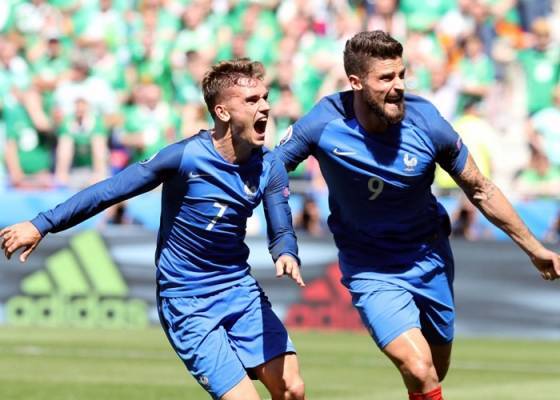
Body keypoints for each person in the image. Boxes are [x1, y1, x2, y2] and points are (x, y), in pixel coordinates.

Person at [273, 30, 560, 400]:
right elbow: (269, 172)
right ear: (356, 82)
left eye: (401, 75)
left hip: (430, 258)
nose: (398, 87)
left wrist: (534, 249)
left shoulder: (426, 121)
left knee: (434, 371)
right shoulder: (323, 122)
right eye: (386, 78)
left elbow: (480, 188)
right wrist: (282, 240)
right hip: (370, 267)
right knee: (419, 368)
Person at [1, 59, 306, 400]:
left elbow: (281, 226)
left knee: (292, 389)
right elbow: (110, 191)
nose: (265, 106)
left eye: (264, 97)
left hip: (239, 289)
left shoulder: (270, 165)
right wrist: (41, 224)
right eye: (251, 100)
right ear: (222, 112)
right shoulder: (185, 157)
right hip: (187, 300)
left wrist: (286, 253)